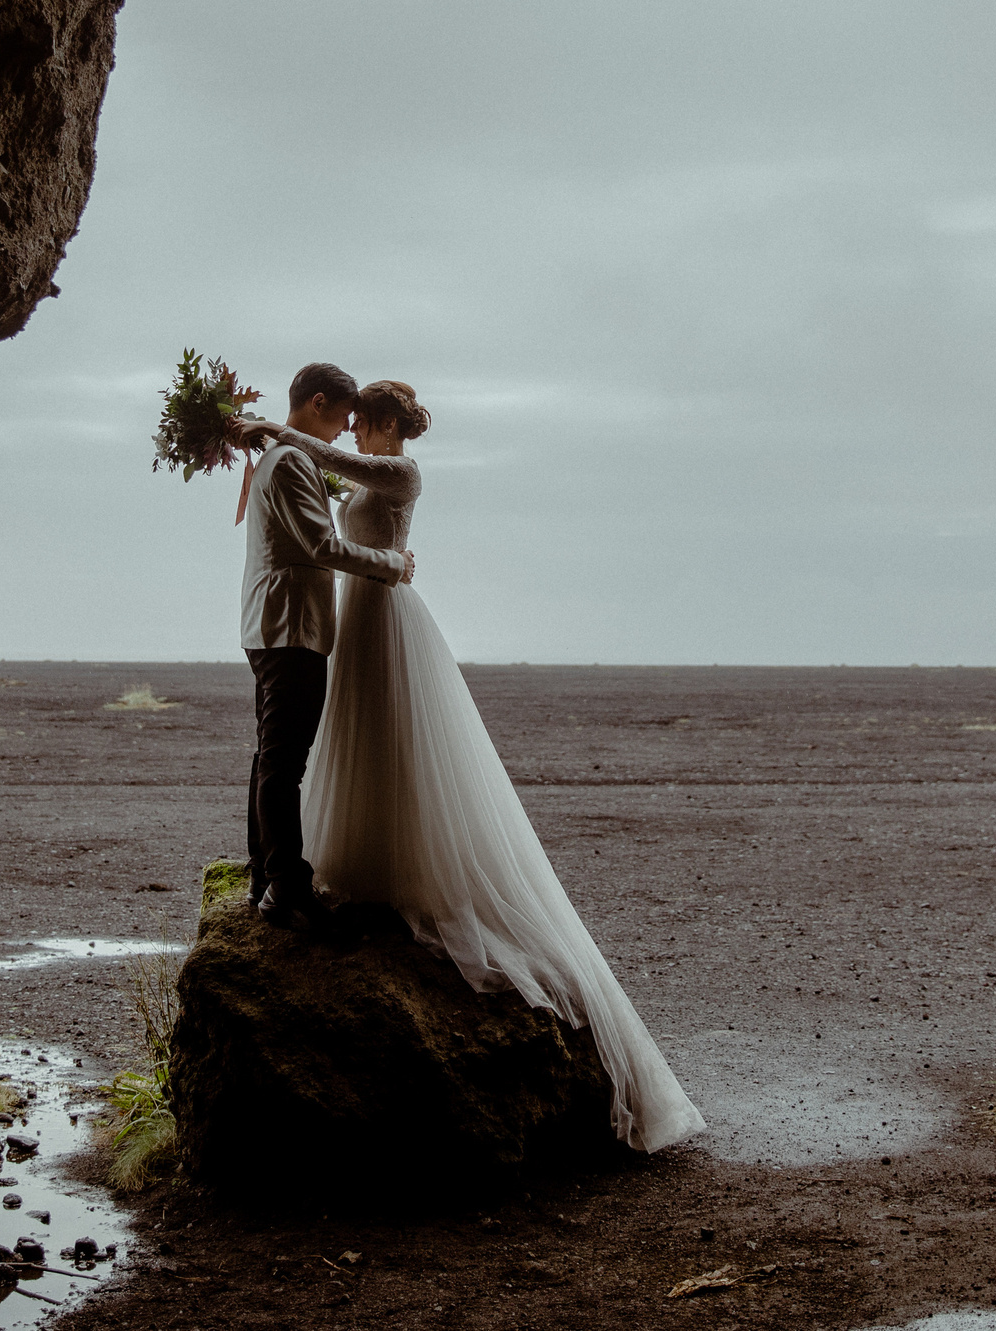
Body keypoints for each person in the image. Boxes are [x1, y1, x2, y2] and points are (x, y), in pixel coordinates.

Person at [232, 379, 704, 1153]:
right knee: (337, 741)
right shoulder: (346, 466)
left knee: (390, 739)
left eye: (363, 424)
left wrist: (266, 431)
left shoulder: (403, 474)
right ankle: (324, 865)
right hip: (355, 610)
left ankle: (362, 866)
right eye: (345, 421)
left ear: (386, 425)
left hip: (386, 609)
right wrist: (269, 439)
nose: (352, 434)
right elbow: (319, 476)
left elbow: (320, 461)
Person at [237, 362, 412, 932]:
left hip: (282, 623)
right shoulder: (289, 460)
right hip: (291, 626)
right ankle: (284, 887)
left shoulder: (285, 458)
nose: (343, 430)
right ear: (316, 404)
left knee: (272, 757)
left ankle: (267, 876)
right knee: (283, 764)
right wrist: (392, 564)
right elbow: (318, 544)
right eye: (341, 418)